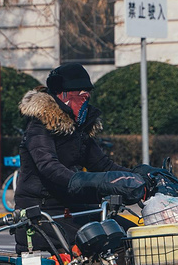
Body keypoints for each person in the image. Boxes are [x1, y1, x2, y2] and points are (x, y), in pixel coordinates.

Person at [13, 63, 148, 252]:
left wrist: (139, 176)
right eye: (81, 93)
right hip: (44, 210)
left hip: (72, 204)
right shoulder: (39, 126)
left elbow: (102, 164)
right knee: (99, 242)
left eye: (88, 93)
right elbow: (49, 166)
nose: (87, 97)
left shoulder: (78, 127)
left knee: (128, 234)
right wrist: (85, 180)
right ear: (64, 94)